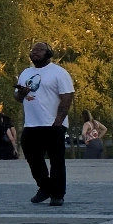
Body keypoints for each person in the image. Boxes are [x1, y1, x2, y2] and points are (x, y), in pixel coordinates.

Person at [16, 41, 75, 205]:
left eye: (40, 50)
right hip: (31, 124)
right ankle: (45, 187)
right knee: (33, 158)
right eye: (33, 50)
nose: (35, 52)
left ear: (49, 53)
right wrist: (21, 93)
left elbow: (67, 98)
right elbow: (18, 97)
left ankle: (57, 194)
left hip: (53, 124)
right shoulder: (26, 73)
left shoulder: (59, 73)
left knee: (56, 160)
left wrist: (58, 122)